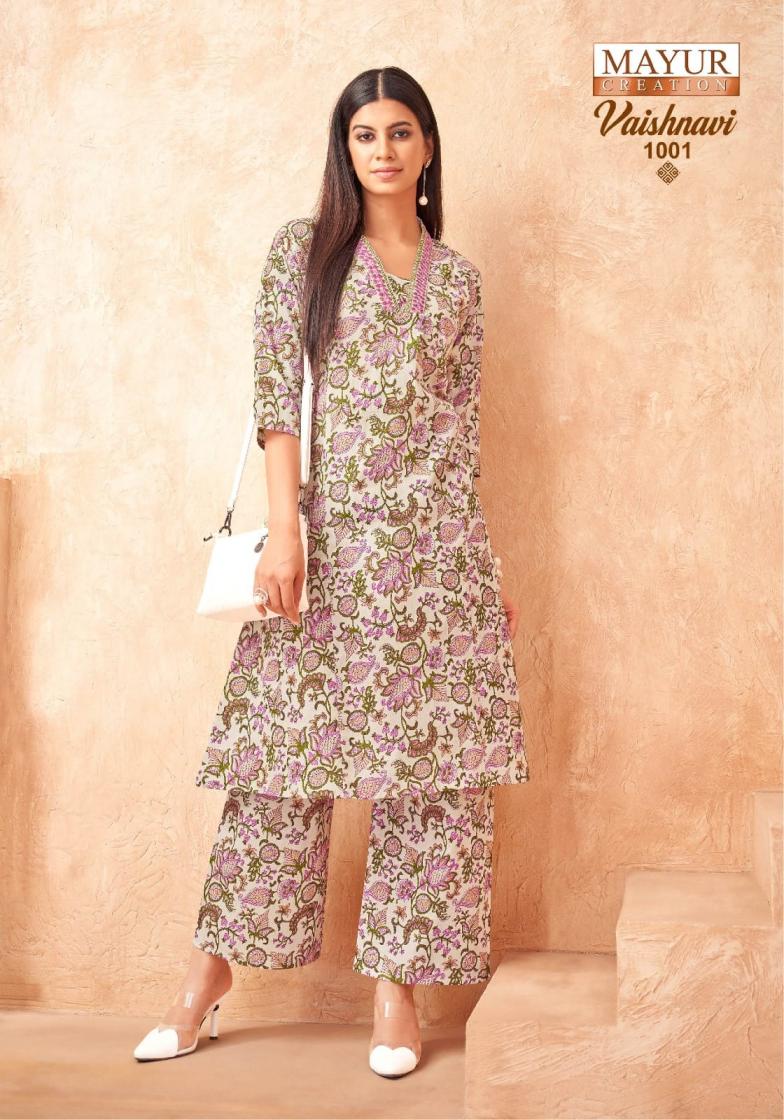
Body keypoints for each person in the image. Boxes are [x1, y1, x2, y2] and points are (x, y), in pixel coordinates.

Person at [133, 65, 529, 1079]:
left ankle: (398, 994)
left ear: (427, 147)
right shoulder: (303, 253)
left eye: (400, 132)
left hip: (436, 559)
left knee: (431, 777)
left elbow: (457, 435)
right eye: (365, 134)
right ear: (343, 149)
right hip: (329, 548)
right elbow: (276, 398)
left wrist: (481, 566)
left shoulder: (459, 281)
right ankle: (204, 980)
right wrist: (285, 532)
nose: (383, 150)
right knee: (279, 767)